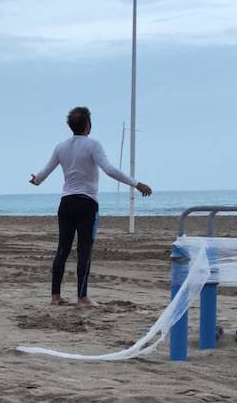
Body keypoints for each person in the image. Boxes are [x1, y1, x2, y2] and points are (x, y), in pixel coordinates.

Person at [29, 106, 152, 308]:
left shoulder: (60, 147)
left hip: (66, 203)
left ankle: (55, 296)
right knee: (84, 250)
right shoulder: (93, 145)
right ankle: (82, 297)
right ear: (88, 125)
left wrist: (36, 180)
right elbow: (109, 170)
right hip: (87, 204)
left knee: (62, 249)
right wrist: (136, 184)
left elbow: (44, 173)